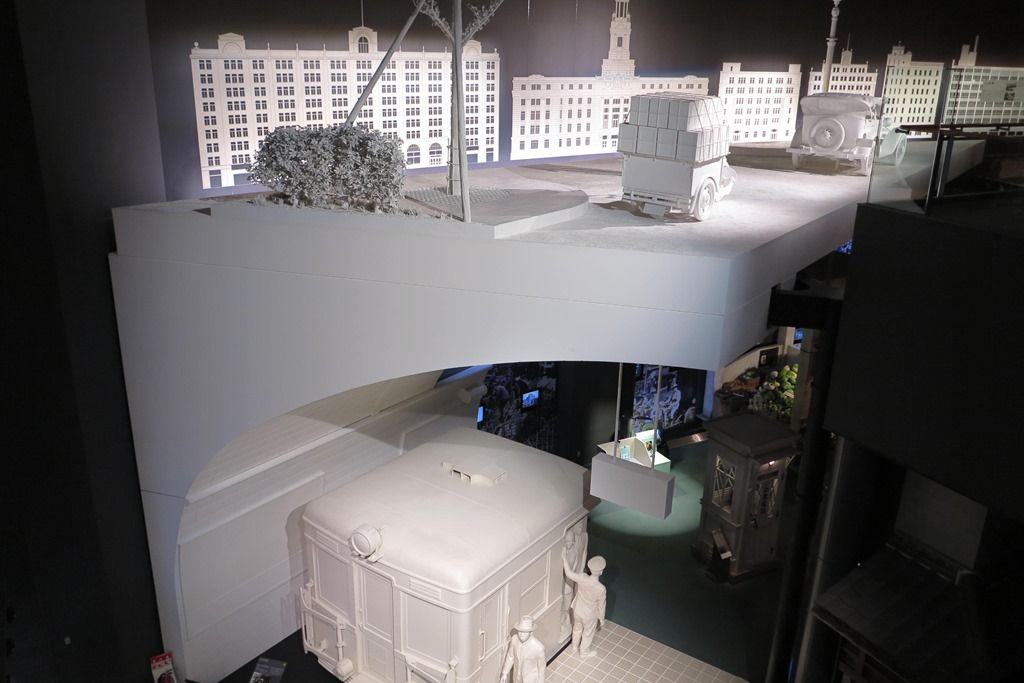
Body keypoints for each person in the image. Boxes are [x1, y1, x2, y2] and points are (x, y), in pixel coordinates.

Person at [562, 551, 607, 658]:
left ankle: (574, 646)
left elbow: (568, 573)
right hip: (589, 615)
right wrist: (601, 619)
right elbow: (601, 606)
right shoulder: (601, 589)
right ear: (601, 572)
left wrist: (564, 557)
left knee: (577, 628)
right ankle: (584, 652)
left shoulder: (582, 577)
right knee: (588, 633)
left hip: (577, 610)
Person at [559, 522, 589, 640]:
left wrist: (578, 574)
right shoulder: (566, 551)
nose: (568, 544)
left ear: (573, 542)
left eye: (570, 542)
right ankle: (565, 625)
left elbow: (570, 572)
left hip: (568, 584)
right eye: (566, 542)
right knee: (564, 606)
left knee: (566, 606)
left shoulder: (573, 553)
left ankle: (565, 626)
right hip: (565, 583)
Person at [499, 615, 546, 683]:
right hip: (516, 678)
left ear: (531, 633)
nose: (521, 634)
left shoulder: (539, 648)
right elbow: (510, 657)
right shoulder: (514, 639)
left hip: (530, 680)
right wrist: (505, 673)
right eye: (520, 631)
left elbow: (541, 669)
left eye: (525, 632)